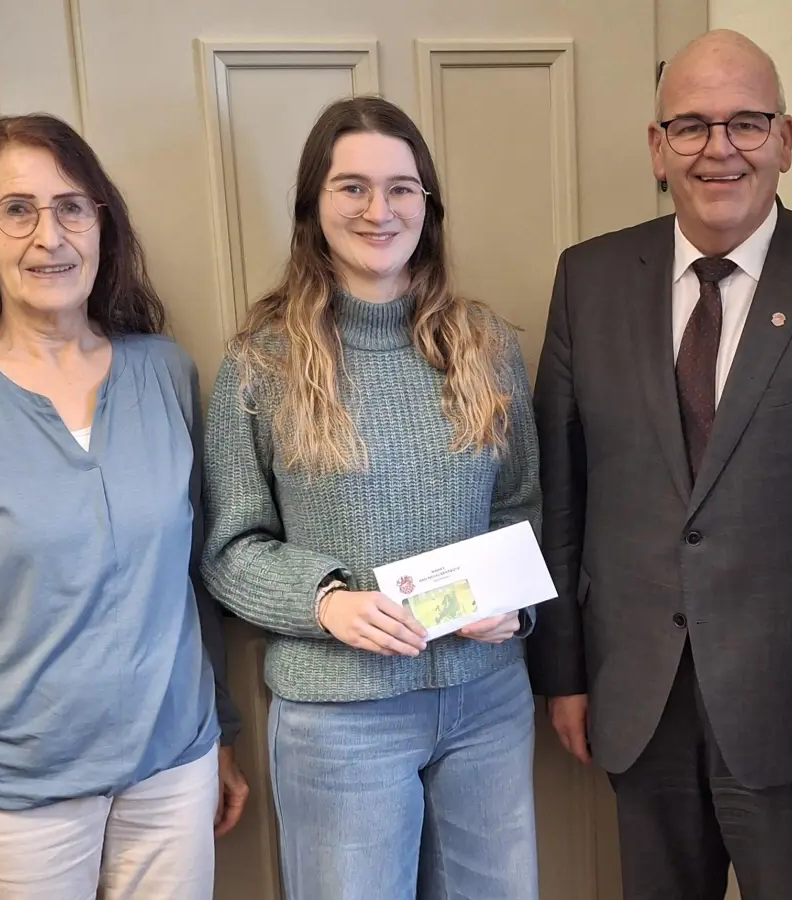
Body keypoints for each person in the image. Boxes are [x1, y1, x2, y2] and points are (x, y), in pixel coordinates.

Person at [527, 29, 792, 900]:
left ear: (785, 140)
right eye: (690, 126)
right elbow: (561, 501)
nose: (719, 149)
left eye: (747, 123)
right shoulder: (589, 279)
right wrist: (564, 676)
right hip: (637, 696)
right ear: (657, 148)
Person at [0, 113, 248, 900]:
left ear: (103, 226)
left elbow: (193, 577)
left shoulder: (165, 373)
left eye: (73, 206)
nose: (51, 236)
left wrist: (223, 735)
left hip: (172, 771)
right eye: (18, 210)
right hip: (12, 799)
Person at [200, 96, 542, 900]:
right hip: (339, 719)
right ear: (313, 208)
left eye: (402, 188)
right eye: (351, 187)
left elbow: (523, 508)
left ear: (429, 206)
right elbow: (229, 547)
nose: (379, 210)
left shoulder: (488, 348)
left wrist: (517, 607)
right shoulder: (261, 363)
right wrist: (325, 603)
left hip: (487, 701)